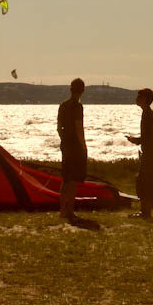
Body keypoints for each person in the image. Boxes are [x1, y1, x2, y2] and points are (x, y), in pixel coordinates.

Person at [126, 88, 153, 219]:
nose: (136, 98)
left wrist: (136, 140)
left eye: (139, 96)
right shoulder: (146, 114)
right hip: (150, 152)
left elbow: (149, 137)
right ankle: (145, 211)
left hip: (152, 153)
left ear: (145, 99)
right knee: (143, 181)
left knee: (145, 182)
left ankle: (145, 212)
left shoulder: (149, 115)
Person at [57, 77, 87, 223]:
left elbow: (59, 127)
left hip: (65, 145)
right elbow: (79, 128)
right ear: (82, 91)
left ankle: (62, 209)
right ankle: (70, 210)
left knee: (65, 178)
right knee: (73, 180)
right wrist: (83, 146)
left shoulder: (62, 106)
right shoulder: (78, 107)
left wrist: (64, 139)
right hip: (75, 146)